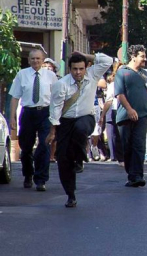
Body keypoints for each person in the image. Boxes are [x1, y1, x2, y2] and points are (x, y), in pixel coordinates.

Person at [46, 52, 112, 207]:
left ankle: (80, 158)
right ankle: (70, 194)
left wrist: (83, 55)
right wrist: (52, 131)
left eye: (81, 68)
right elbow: (55, 109)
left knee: (80, 128)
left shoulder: (93, 74)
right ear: (69, 69)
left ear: (86, 67)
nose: (78, 72)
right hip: (65, 121)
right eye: (75, 69)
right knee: (63, 159)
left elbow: (108, 60)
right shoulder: (61, 85)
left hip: (85, 118)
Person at [9, 49, 58, 191]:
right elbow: (15, 97)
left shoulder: (51, 76)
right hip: (28, 113)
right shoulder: (22, 75)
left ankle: (41, 179)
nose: (35, 61)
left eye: (38, 58)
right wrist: (12, 117)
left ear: (43, 60)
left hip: (45, 113)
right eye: (32, 59)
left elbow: (56, 98)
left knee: (44, 145)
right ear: (29, 60)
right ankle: (28, 174)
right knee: (26, 147)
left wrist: (56, 117)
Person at [115, 45, 147, 187]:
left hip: (142, 116)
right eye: (142, 56)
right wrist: (129, 109)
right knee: (127, 147)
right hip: (125, 117)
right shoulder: (122, 72)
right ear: (133, 56)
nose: (145, 59)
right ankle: (131, 174)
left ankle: (137, 176)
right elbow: (119, 94)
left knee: (139, 146)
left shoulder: (145, 74)